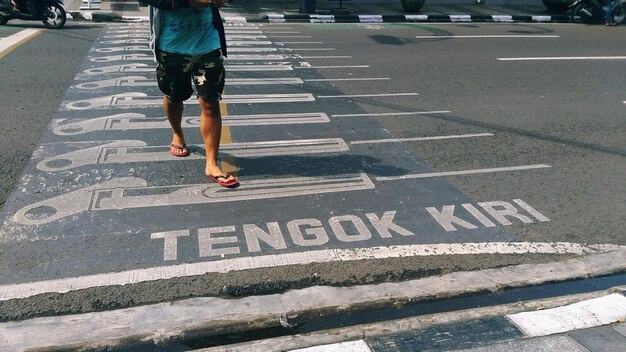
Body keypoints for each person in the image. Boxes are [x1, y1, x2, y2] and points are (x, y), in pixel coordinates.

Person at [140, 0, 238, 188]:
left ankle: (211, 163)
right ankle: (177, 133)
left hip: (208, 43)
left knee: (210, 102)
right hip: (171, 47)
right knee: (175, 96)